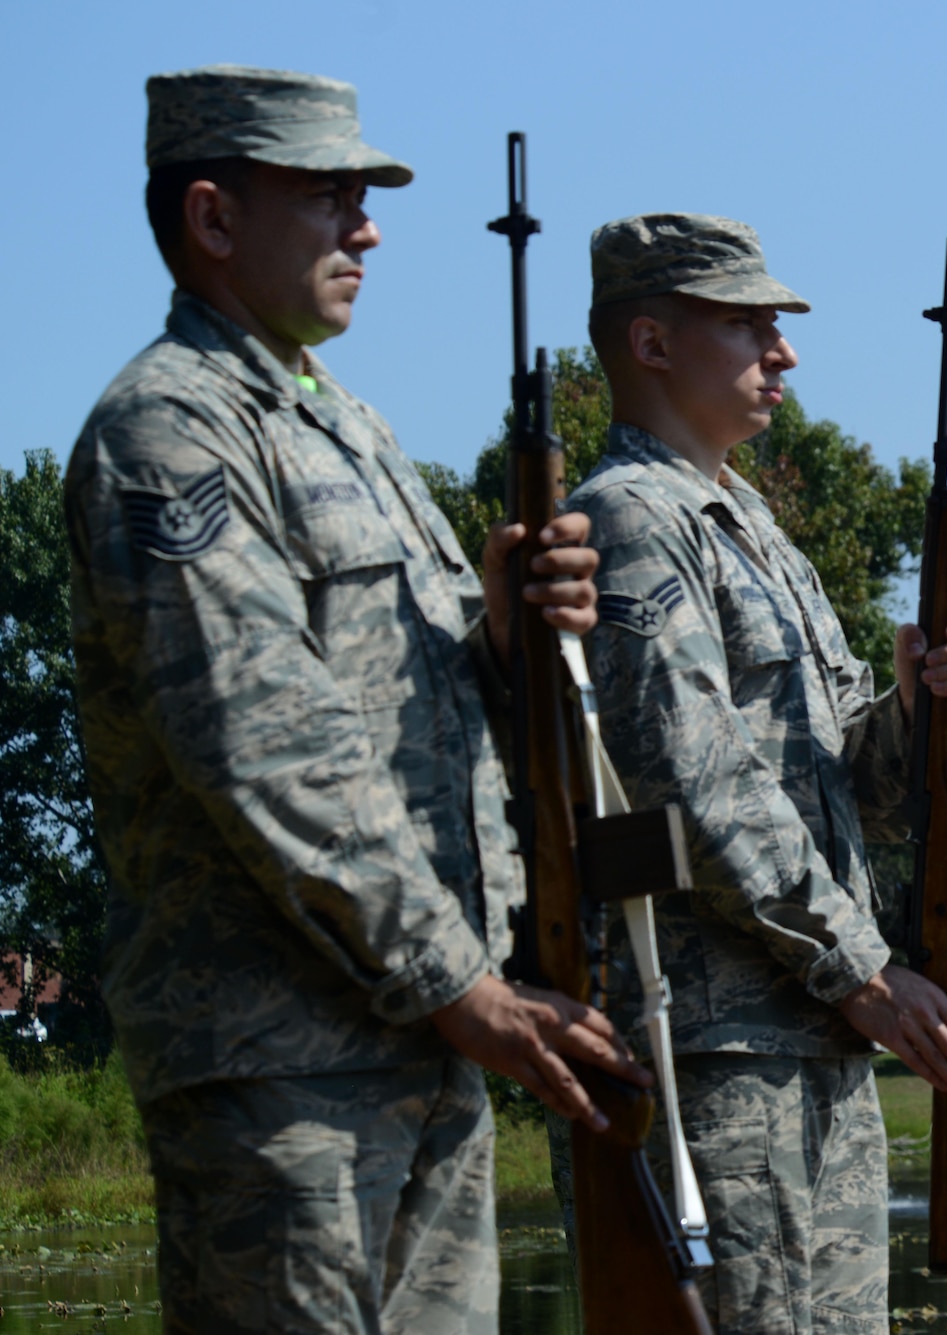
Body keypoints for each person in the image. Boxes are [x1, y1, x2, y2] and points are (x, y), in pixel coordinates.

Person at [68, 65, 630, 1334]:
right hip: (283, 1064)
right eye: (330, 197)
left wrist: (500, 636)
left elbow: (413, 714)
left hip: (420, 1040)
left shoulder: (351, 430)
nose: (366, 228)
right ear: (214, 219)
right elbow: (267, 749)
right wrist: (462, 984)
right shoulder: (170, 432)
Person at [559, 213, 947, 1333]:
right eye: (745, 323)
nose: (783, 349)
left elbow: (863, 787)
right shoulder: (630, 521)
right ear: (651, 343)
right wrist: (862, 969)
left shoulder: (752, 525)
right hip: (713, 1043)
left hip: (810, 1033)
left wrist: (921, 704)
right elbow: (693, 782)